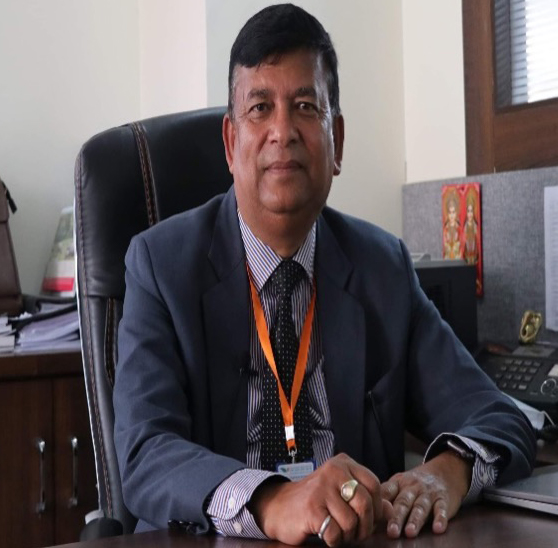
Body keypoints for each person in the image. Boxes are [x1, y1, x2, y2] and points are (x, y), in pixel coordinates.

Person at [113, 4, 536, 547]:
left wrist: (446, 473)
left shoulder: (382, 267)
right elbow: (145, 453)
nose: (282, 131)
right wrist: (272, 500)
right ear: (230, 143)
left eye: (305, 107)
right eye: (260, 108)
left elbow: (499, 417)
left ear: (336, 138)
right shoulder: (159, 265)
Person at [442, 189, 462, 259]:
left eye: (453, 212)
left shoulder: (460, 229)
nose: (452, 215)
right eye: (450, 212)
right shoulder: (445, 229)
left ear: (456, 213)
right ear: (447, 214)